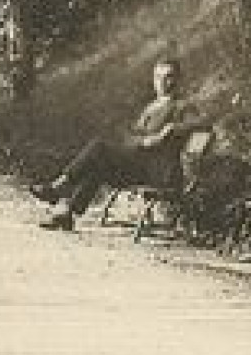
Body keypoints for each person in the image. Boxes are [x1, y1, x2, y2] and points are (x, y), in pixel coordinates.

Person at [28, 58, 208, 231]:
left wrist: (173, 128)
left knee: (98, 147)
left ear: (177, 79)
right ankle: (67, 213)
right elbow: (130, 137)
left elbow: (204, 124)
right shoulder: (152, 107)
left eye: (168, 76)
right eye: (158, 77)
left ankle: (58, 187)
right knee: (98, 165)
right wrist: (144, 140)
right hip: (140, 167)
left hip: (159, 172)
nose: (162, 82)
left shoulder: (183, 106)